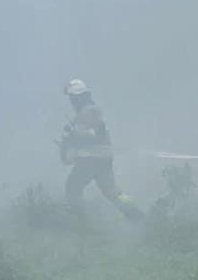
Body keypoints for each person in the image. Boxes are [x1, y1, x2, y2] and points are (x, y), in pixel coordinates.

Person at [58, 80, 144, 220]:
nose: (71, 101)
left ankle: (78, 219)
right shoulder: (85, 111)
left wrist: (71, 135)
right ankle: (134, 212)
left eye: (72, 97)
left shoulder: (90, 110)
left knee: (73, 186)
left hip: (91, 159)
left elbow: (93, 134)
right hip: (101, 159)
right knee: (112, 190)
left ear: (79, 97)